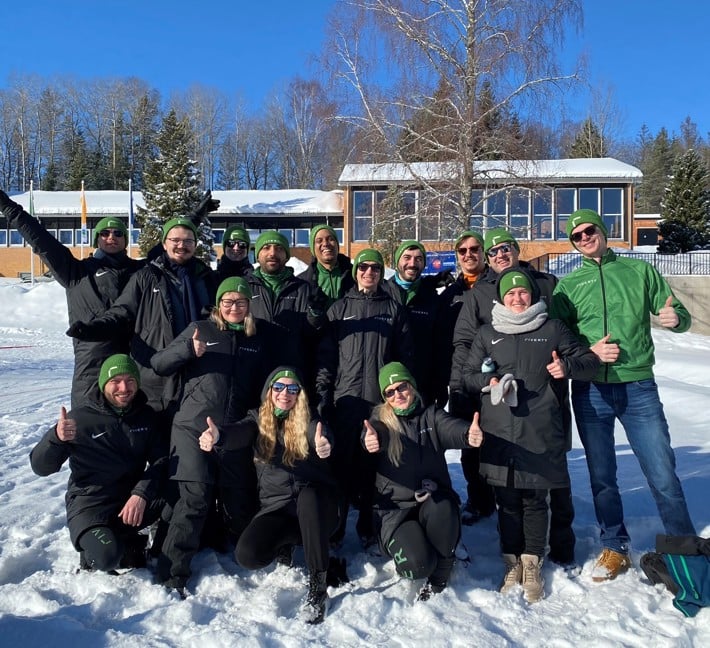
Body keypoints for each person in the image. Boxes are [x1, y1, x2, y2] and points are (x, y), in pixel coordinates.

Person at [551, 208, 696, 582]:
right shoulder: (567, 286)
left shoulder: (638, 271)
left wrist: (675, 319)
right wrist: (589, 353)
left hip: (637, 388)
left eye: (589, 231)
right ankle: (615, 546)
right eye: (576, 236)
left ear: (602, 230)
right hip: (589, 390)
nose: (584, 238)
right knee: (602, 477)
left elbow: (674, 310)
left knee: (662, 473)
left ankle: (686, 550)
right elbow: (560, 343)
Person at [462, 268, 598, 602]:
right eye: (510, 294)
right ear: (502, 299)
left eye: (523, 292)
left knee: (536, 500)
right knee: (506, 501)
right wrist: (487, 382)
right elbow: (466, 376)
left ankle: (532, 562)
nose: (517, 298)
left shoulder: (551, 329)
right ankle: (512, 562)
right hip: (499, 430)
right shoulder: (487, 333)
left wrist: (566, 367)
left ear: (532, 296)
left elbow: (588, 360)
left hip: (540, 429)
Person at [452, 228, 575, 573]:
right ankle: (508, 538)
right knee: (500, 462)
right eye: (493, 252)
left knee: (553, 467)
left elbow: (567, 330)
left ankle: (562, 542)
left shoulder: (547, 284)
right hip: (498, 392)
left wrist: (572, 362)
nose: (499, 255)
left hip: (545, 391)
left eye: (505, 248)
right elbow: (464, 343)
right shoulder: (481, 293)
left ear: (517, 250)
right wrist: (464, 386)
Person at [150, 277, 267, 592]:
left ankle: (238, 550)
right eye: (227, 302)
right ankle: (171, 573)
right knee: (195, 498)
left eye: (240, 302)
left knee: (238, 503)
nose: (233, 307)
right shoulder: (199, 329)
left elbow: (262, 389)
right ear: (218, 305)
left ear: (248, 306)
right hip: (192, 428)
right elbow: (158, 364)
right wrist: (188, 350)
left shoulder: (256, 339)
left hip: (231, 432)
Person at [199, 367, 339, 625]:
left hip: (320, 511)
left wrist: (323, 443)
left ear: (300, 395)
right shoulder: (257, 420)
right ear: (269, 391)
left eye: (292, 388)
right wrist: (219, 436)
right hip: (279, 509)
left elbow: (317, 431)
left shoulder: (309, 417)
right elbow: (239, 431)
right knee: (248, 555)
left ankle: (318, 586)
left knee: (308, 496)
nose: (285, 393)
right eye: (279, 387)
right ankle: (284, 543)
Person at [0, 190, 144, 408]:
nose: (111, 237)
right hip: (92, 364)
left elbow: (171, 246)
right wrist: (6, 205)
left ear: (125, 239)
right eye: (104, 233)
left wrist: (193, 220)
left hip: (135, 360)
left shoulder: (140, 272)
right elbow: (40, 238)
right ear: (97, 239)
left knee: (136, 429)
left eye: (117, 233)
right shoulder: (77, 272)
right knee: (87, 428)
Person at [29, 354, 168, 573]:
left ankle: (141, 542)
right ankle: (112, 544)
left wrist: (141, 493)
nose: (124, 387)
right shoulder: (80, 419)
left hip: (129, 501)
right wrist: (55, 438)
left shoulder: (146, 416)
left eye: (130, 380)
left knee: (180, 489)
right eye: (116, 381)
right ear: (104, 384)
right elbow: (40, 468)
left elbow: (161, 461)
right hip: (91, 504)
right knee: (107, 558)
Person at [66, 217, 219, 415]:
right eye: (175, 240)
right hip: (155, 377)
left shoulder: (206, 278)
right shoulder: (146, 276)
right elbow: (122, 312)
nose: (182, 245)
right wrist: (93, 329)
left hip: (198, 372)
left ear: (195, 244)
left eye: (188, 241)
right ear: (164, 243)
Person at [315, 248, 415, 547]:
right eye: (363, 268)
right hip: (345, 401)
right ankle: (335, 527)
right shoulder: (339, 309)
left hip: (379, 404)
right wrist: (324, 396)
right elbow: (326, 359)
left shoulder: (394, 310)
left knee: (375, 466)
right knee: (341, 465)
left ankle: (369, 525)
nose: (369, 273)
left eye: (374, 268)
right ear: (355, 271)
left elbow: (406, 358)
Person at [362, 362, 483, 601]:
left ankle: (444, 568)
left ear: (412, 386)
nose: (397, 394)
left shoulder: (432, 415)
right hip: (396, 512)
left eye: (402, 387)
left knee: (443, 506)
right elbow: (374, 434)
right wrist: (369, 439)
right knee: (418, 566)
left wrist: (467, 434)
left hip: (432, 502)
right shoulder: (381, 422)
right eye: (390, 391)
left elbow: (451, 428)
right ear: (385, 397)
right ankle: (427, 549)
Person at [438, 230, 490, 526]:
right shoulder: (450, 294)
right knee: (470, 444)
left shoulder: (497, 286)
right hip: (460, 380)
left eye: (474, 249)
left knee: (498, 440)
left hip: (493, 377)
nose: (469, 255)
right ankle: (479, 499)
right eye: (462, 251)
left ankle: (504, 498)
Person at [246, 230, 325, 393]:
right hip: (252, 376)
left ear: (287, 256)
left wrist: (316, 315)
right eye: (266, 248)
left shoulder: (302, 288)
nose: (272, 253)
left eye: (279, 248)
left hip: (290, 379)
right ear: (257, 254)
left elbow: (312, 336)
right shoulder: (245, 287)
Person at [382, 240, 445, 407]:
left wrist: (440, 384)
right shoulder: (381, 293)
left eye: (418, 259)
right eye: (407, 257)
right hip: (388, 388)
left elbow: (439, 345)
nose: (412, 263)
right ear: (397, 262)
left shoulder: (431, 298)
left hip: (422, 386)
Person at [298, 224, 354, 309]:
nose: (325, 244)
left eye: (330, 239)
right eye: (319, 241)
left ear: (337, 244)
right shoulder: (302, 282)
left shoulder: (355, 275)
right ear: (313, 248)